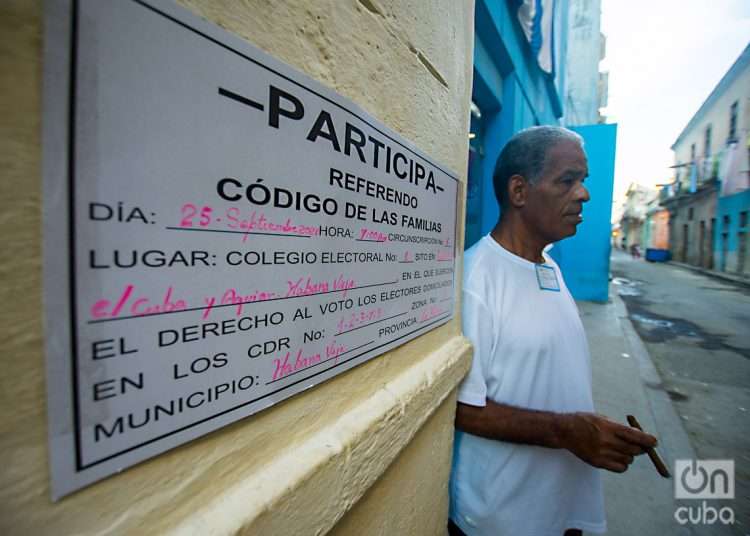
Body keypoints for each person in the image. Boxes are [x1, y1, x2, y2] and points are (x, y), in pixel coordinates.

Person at [448, 126, 657, 536]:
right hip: (503, 518)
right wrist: (567, 430)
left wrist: (591, 431)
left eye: (583, 181)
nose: (584, 195)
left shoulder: (549, 267)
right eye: (567, 181)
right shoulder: (476, 279)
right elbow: (462, 408)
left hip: (561, 506)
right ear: (519, 191)